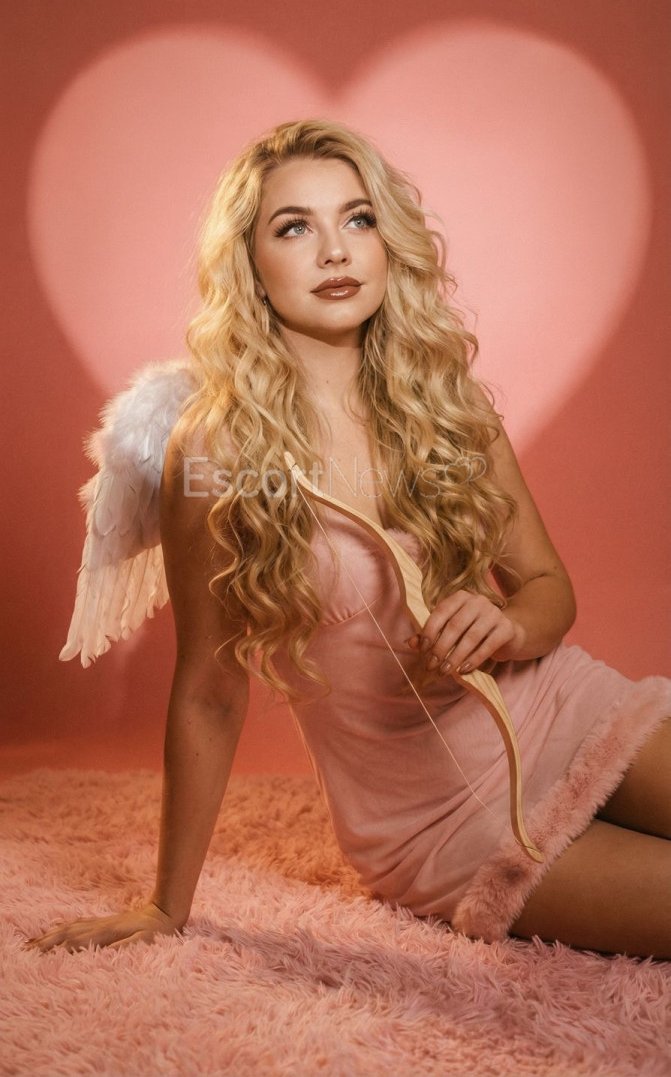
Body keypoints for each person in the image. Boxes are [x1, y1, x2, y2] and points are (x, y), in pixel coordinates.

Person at [24, 118, 671, 958]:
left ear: (386, 241)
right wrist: (164, 906)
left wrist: (509, 626)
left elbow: (548, 590)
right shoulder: (218, 449)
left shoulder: (444, 403)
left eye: (357, 219)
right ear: (250, 265)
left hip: (566, 710)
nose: (334, 250)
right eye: (294, 228)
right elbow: (209, 688)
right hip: (437, 820)